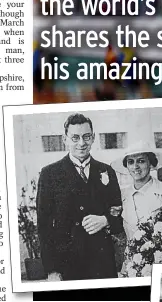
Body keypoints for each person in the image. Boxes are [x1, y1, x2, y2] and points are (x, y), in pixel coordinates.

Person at [36, 113, 124, 281]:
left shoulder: (106, 171)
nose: (81, 143)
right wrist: (52, 270)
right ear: (65, 139)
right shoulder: (50, 174)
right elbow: (43, 225)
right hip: (68, 264)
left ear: (93, 138)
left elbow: (119, 213)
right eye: (75, 138)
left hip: (102, 262)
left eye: (86, 137)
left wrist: (106, 220)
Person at [110, 141, 162, 239]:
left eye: (141, 161)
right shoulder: (122, 195)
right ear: (127, 166)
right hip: (130, 253)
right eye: (131, 162)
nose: (135, 166)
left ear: (151, 164)